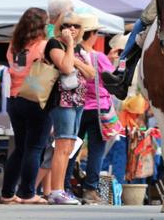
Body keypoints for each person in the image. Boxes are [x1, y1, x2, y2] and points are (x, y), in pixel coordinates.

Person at [0, 7, 53, 205]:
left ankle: (7, 193)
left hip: (14, 98)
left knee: (20, 148)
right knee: (35, 147)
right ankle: (27, 193)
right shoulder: (44, 46)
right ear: (42, 25)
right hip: (35, 98)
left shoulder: (14, 46)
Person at [45, 11, 96, 205]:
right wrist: (71, 49)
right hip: (62, 101)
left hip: (78, 102)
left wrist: (75, 58)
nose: (71, 29)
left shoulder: (80, 51)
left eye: (76, 26)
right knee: (62, 145)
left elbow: (91, 73)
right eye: (67, 25)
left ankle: (60, 190)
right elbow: (66, 68)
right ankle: (56, 190)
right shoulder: (54, 44)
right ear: (60, 27)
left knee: (69, 147)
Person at [64, 14, 114, 204]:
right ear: (93, 34)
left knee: (71, 149)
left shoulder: (73, 54)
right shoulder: (98, 57)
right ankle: (90, 190)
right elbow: (112, 80)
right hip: (98, 109)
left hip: (76, 106)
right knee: (96, 151)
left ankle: (65, 186)